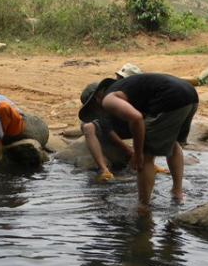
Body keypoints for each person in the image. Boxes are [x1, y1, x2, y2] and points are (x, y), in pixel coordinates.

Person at [79, 73, 198, 212]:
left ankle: (143, 206)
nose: (99, 113)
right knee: (173, 143)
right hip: (190, 94)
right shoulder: (123, 88)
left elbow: (136, 118)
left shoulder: (108, 99)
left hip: (171, 97)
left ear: (97, 98)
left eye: (94, 110)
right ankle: (177, 193)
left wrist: (138, 153)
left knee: (146, 157)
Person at [80, 63, 141, 179]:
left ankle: (147, 162)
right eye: (119, 79)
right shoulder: (110, 97)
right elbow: (107, 127)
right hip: (108, 128)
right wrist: (129, 150)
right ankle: (104, 170)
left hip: (122, 125)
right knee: (88, 127)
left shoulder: (136, 95)